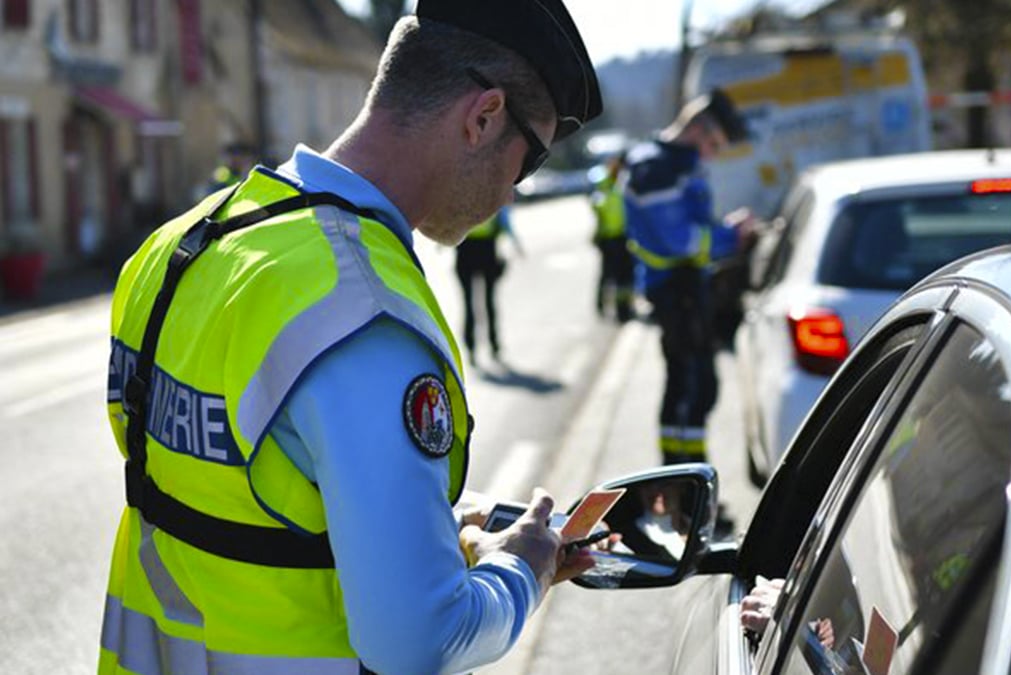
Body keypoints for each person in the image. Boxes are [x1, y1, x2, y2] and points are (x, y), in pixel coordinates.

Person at [99, 2, 602, 674]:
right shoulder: (365, 313)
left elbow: (229, 500)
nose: (514, 191)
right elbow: (419, 640)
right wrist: (525, 568)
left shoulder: (181, 244)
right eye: (530, 159)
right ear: (483, 117)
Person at [622, 89, 757, 466]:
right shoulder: (655, 166)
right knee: (688, 390)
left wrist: (725, 229)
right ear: (696, 128)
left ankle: (687, 483)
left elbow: (694, 228)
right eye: (713, 144)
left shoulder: (681, 163)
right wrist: (732, 237)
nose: (713, 155)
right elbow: (680, 239)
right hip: (672, 291)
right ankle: (679, 488)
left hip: (689, 288)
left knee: (700, 389)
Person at [455, 205, 523, 365]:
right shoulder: (490, 190)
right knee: (489, 302)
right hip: (487, 251)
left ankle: (471, 348)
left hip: (466, 252)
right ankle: (494, 345)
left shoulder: (457, 190)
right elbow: (504, 221)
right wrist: (516, 243)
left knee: (469, 303)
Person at [589, 151, 634, 321]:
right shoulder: (606, 184)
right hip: (609, 238)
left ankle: (623, 309)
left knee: (623, 276)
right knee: (610, 275)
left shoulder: (623, 183)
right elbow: (598, 207)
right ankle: (604, 306)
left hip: (623, 236)